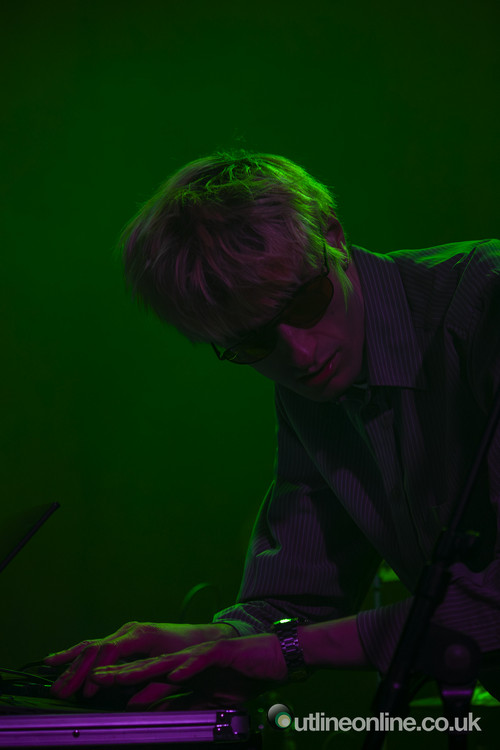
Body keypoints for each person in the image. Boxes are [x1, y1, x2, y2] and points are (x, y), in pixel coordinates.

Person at [44, 150, 500, 709]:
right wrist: (212, 641)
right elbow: (296, 600)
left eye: (305, 303)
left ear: (332, 236)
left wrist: (286, 651)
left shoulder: (487, 302)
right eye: (252, 342)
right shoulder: (313, 387)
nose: (300, 355)